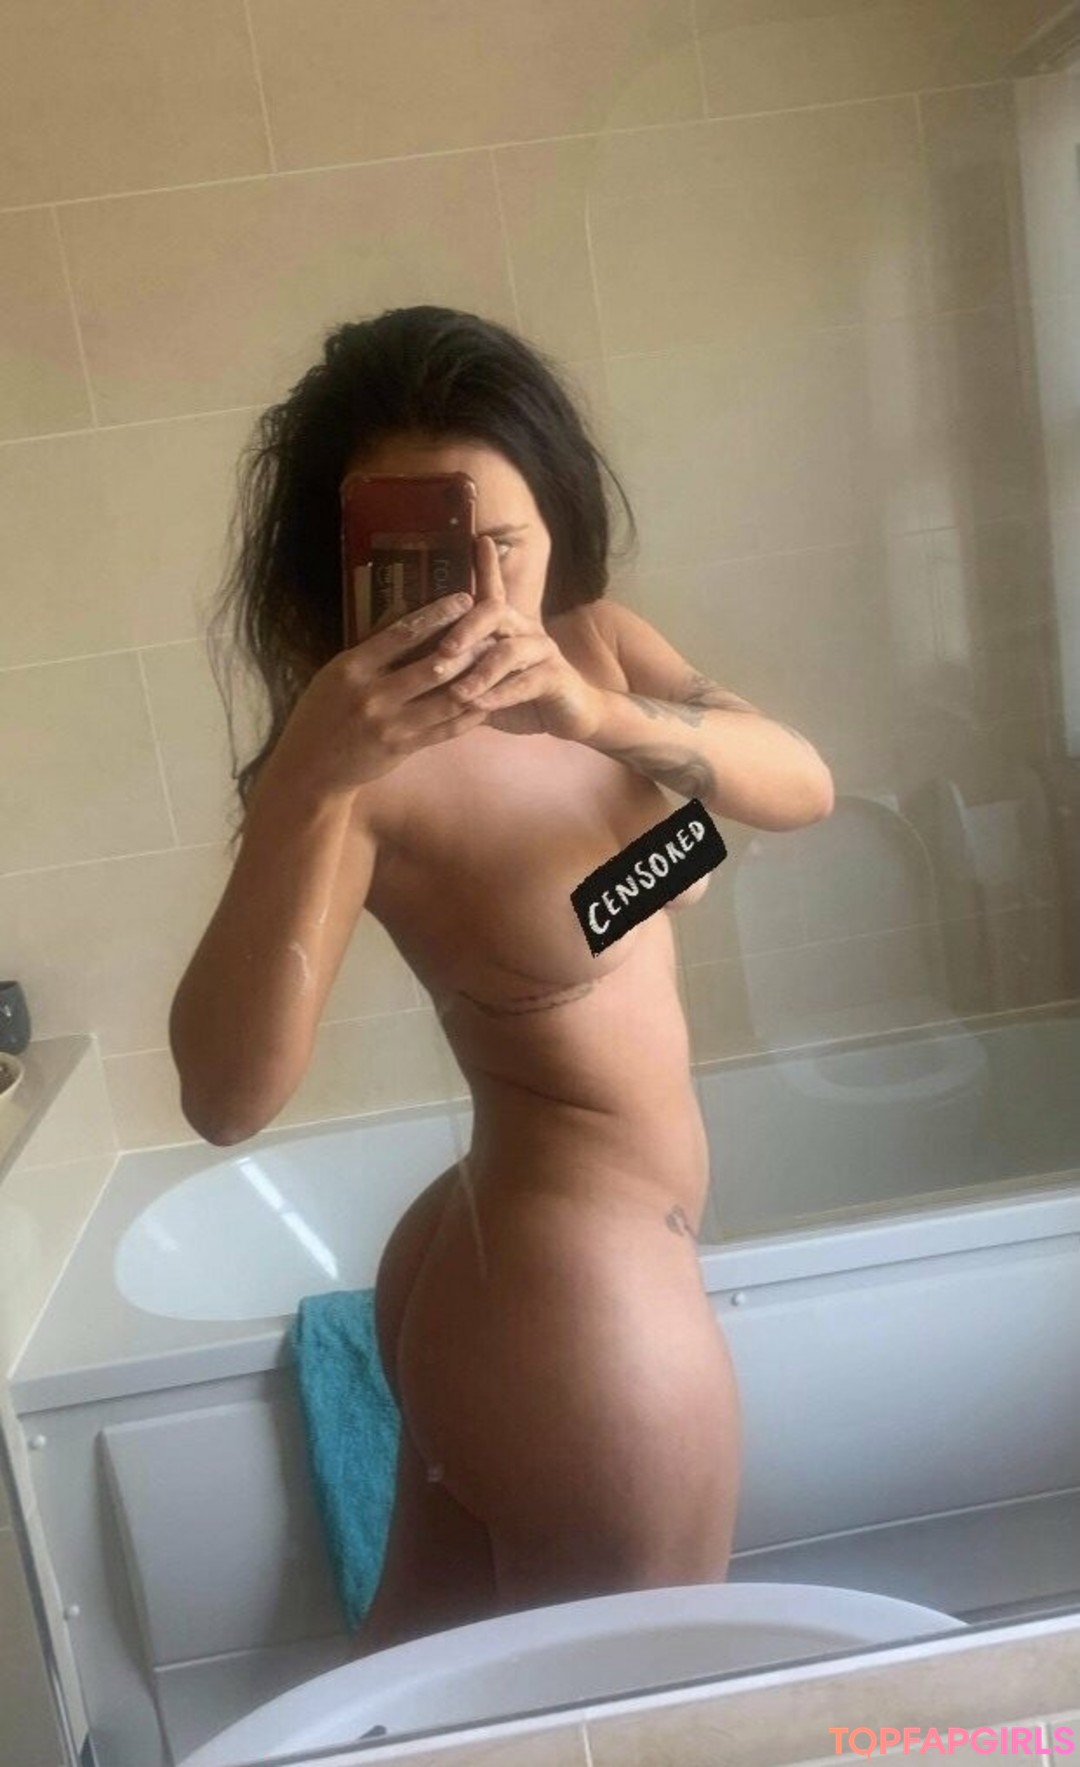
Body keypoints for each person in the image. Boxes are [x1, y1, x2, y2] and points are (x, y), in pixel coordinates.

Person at [169, 306, 835, 1659]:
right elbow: (226, 1099)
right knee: (643, 1712)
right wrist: (307, 778)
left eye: (508, 544)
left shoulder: (601, 648)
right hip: (573, 1296)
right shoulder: (363, 777)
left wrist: (597, 718)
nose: (478, 593)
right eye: (425, 555)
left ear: (555, 521)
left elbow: (800, 788)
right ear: (345, 565)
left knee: (425, 1700)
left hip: (507, 1254)